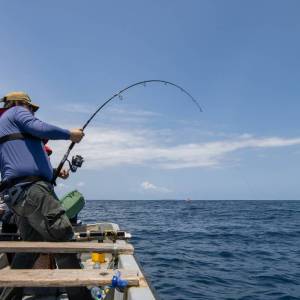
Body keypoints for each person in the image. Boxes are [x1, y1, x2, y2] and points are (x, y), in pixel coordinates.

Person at [0, 91, 93, 300]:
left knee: (29, 248)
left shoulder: (3, 126)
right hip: (33, 192)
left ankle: (8, 298)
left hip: (17, 196)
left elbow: (17, 165)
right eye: (31, 109)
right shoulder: (16, 111)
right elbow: (38, 127)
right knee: (63, 238)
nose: (31, 113)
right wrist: (71, 134)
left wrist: (53, 172)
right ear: (21, 104)